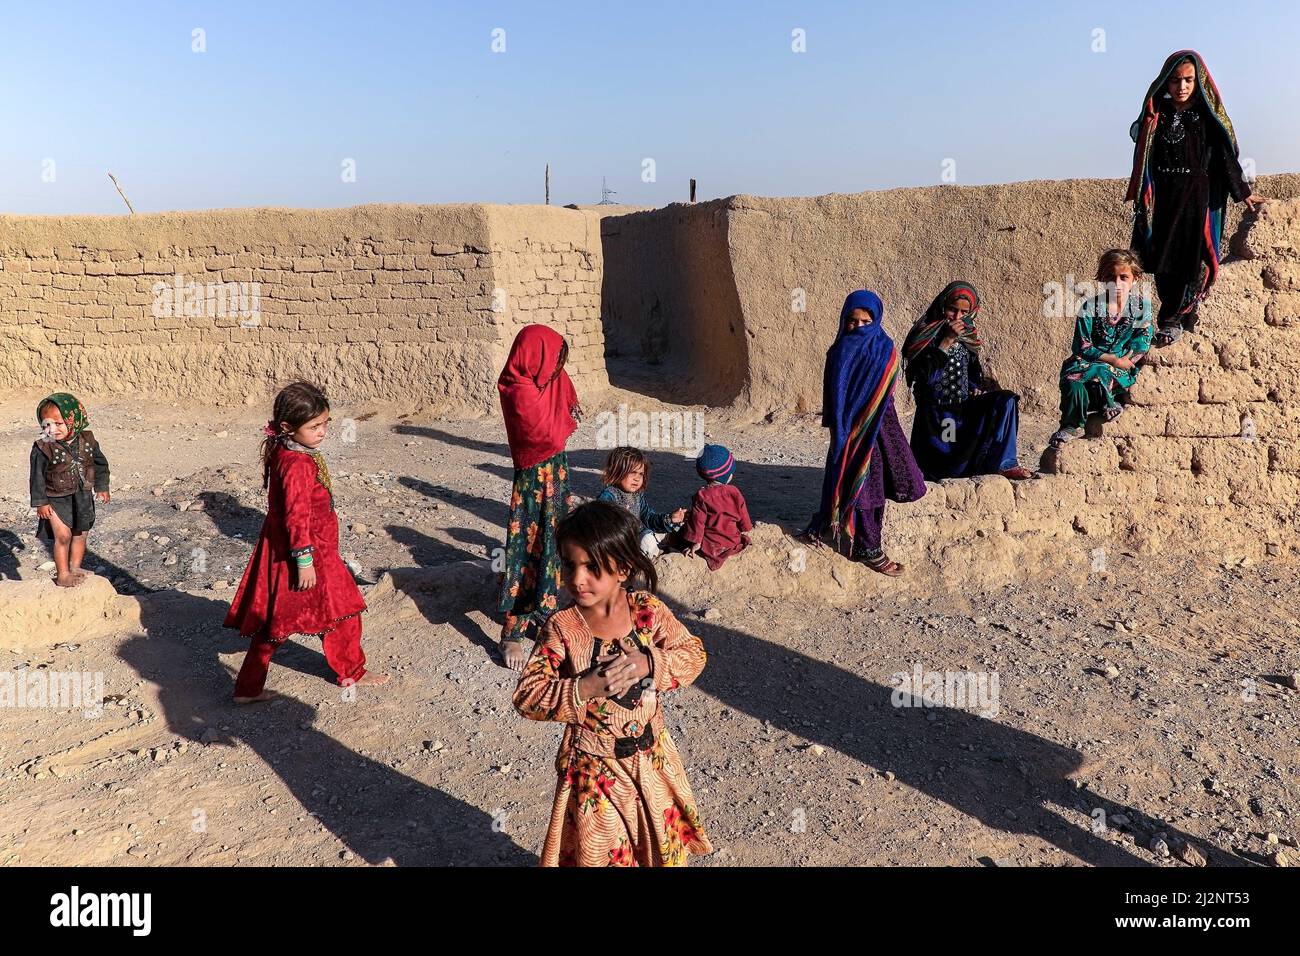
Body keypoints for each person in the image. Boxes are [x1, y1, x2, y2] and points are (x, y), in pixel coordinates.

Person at [512, 501, 711, 866]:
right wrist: (582, 689)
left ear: (623, 568)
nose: (577, 579)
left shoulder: (647, 611)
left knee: (657, 850)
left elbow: (694, 654)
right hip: (594, 773)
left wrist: (650, 661)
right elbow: (527, 696)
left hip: (653, 761)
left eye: (592, 567)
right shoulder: (562, 628)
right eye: (569, 566)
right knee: (602, 855)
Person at [225, 381, 389, 703]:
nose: (323, 431)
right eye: (314, 426)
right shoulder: (298, 465)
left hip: (295, 551)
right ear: (288, 427)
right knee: (343, 609)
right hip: (310, 554)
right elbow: (296, 516)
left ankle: (248, 689)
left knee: (278, 621)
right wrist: (304, 561)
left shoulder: (285, 451)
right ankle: (351, 671)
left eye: (326, 423)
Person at [1127, 49, 1265, 346]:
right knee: (1163, 257)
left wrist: (1244, 194)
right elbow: (1140, 142)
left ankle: (1175, 317)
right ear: (1166, 82)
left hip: (1196, 196)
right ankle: (1170, 315)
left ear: (1198, 81)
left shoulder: (1206, 117)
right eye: (1176, 80)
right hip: (1164, 197)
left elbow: (1224, 159)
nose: (1182, 87)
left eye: (1188, 80)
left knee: (1191, 258)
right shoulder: (1157, 115)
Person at [804, 290, 926, 576]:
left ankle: (866, 544)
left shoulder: (885, 348)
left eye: (864, 321)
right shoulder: (839, 351)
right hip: (851, 434)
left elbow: (887, 391)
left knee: (874, 489)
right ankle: (868, 548)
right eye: (852, 321)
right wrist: (844, 431)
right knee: (862, 487)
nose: (857, 327)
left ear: (876, 320)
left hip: (882, 430)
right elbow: (834, 397)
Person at [496, 324, 582, 670]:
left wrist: (569, 409)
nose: (557, 370)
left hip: (556, 477)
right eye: (553, 361)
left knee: (556, 544)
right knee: (525, 549)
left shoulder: (549, 380)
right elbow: (542, 436)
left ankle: (547, 615)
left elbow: (566, 396)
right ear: (537, 356)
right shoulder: (518, 388)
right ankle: (512, 632)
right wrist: (563, 420)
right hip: (532, 483)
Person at [902, 281, 1033, 481]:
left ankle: (1006, 463)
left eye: (964, 312)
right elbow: (924, 379)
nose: (957, 317)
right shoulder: (925, 335)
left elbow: (972, 373)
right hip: (937, 415)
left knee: (1006, 401)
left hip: (962, 408)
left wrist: (975, 388)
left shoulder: (968, 337)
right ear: (942, 306)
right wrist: (945, 342)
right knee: (946, 469)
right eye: (952, 310)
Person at [1049, 250, 1154, 448]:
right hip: (1088, 361)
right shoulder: (1090, 307)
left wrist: (1125, 361)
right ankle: (1071, 425)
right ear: (1102, 279)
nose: (1117, 283)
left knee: (1101, 374)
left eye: (1124, 277)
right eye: (1111, 277)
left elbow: (1142, 341)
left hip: (1123, 364)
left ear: (1135, 278)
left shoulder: (1141, 306)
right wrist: (1111, 359)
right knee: (1073, 381)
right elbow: (1082, 345)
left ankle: (1111, 402)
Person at [29, 393, 110, 588]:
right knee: (63, 536)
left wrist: (102, 486)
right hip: (55, 498)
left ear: (74, 420)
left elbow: (100, 463)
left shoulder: (88, 440)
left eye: (58, 423)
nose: (52, 430)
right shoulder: (43, 446)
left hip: (82, 496)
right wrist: (41, 502)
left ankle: (75, 567)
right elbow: (36, 476)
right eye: (47, 425)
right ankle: (63, 574)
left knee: (80, 534)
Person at [597, 446, 686, 558]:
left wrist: (670, 519)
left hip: (640, 533)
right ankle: (656, 553)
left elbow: (648, 517)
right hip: (621, 543)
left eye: (641, 474)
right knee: (647, 542)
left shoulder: (637, 495)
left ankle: (665, 545)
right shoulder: (609, 497)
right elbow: (601, 527)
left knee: (674, 528)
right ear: (617, 471)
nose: (637, 478)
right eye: (633, 472)